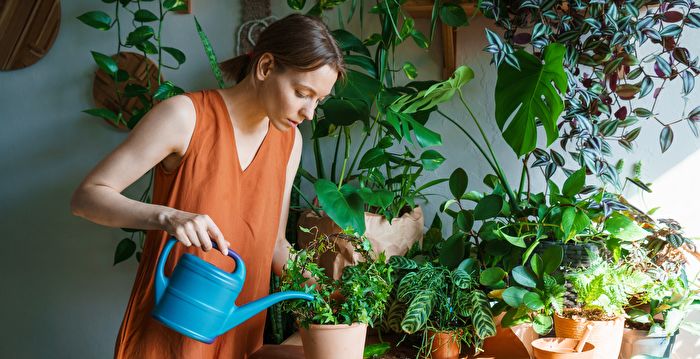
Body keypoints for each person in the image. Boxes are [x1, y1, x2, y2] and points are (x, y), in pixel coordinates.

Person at [71, 13, 344, 359]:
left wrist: (331, 289)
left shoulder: (289, 142)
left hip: (239, 340)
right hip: (168, 340)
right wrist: (169, 217)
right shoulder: (184, 117)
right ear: (265, 67)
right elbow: (87, 196)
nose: (308, 112)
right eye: (302, 93)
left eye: (318, 101)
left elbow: (275, 244)